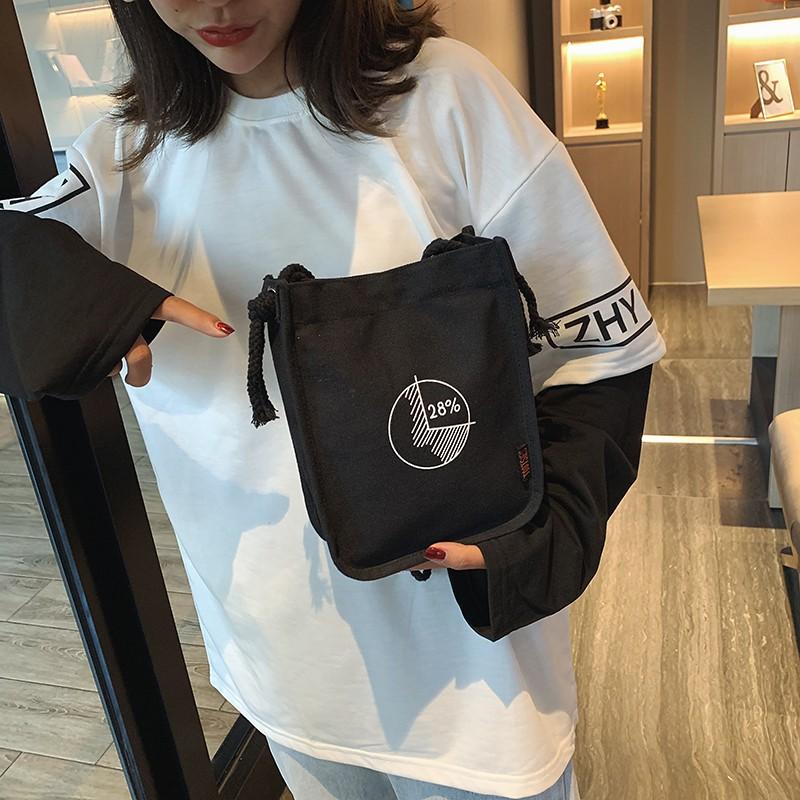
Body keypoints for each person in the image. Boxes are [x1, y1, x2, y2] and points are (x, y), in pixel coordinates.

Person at [0, 1, 666, 798]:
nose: (217, 4)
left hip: (472, 687)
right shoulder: (124, 154)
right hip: (284, 673)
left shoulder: (445, 98)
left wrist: (541, 536)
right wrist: (77, 302)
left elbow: (602, 349)